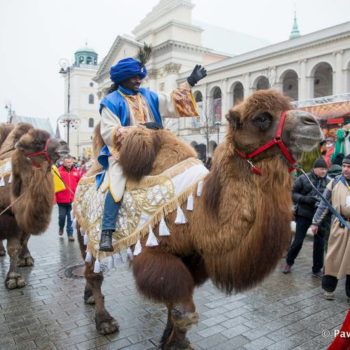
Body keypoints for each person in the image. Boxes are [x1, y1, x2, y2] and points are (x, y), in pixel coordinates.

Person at [98, 56, 207, 251]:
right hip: (125, 154)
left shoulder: (149, 95)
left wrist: (190, 82)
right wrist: (143, 129)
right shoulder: (111, 101)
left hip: (157, 148)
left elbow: (172, 103)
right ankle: (106, 231)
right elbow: (109, 133)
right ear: (123, 79)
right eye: (134, 77)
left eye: (140, 77)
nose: (139, 80)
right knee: (117, 181)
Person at [311, 154, 350, 300]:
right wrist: (315, 222)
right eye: (344, 166)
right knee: (333, 257)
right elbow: (323, 204)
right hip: (339, 226)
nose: (345, 169)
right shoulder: (334, 183)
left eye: (349, 167)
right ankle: (328, 288)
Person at [283, 158, 330, 277]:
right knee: (298, 241)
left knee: (319, 243)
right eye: (321, 169)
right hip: (304, 213)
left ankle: (317, 269)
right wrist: (304, 199)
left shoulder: (329, 182)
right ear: (314, 169)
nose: (324, 171)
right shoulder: (303, 178)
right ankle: (289, 262)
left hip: (320, 216)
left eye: (325, 169)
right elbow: (292, 193)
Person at [55, 155, 82, 241]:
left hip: (72, 200)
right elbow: (55, 184)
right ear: (63, 162)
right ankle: (61, 227)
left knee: (70, 218)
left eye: (70, 162)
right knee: (62, 217)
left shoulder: (76, 172)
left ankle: (70, 234)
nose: (69, 164)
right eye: (67, 162)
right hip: (61, 200)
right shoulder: (58, 172)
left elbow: (80, 184)